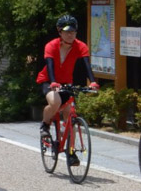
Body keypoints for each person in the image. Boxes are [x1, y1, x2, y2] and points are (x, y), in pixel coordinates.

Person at [37, 15, 99, 164]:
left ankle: (71, 153)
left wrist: (93, 82)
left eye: (73, 31)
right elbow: (50, 65)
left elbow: (86, 64)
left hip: (66, 82)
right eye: (66, 31)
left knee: (70, 115)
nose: (70, 34)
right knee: (56, 101)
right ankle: (45, 124)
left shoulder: (80, 46)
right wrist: (53, 82)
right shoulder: (51, 46)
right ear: (60, 32)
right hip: (48, 80)